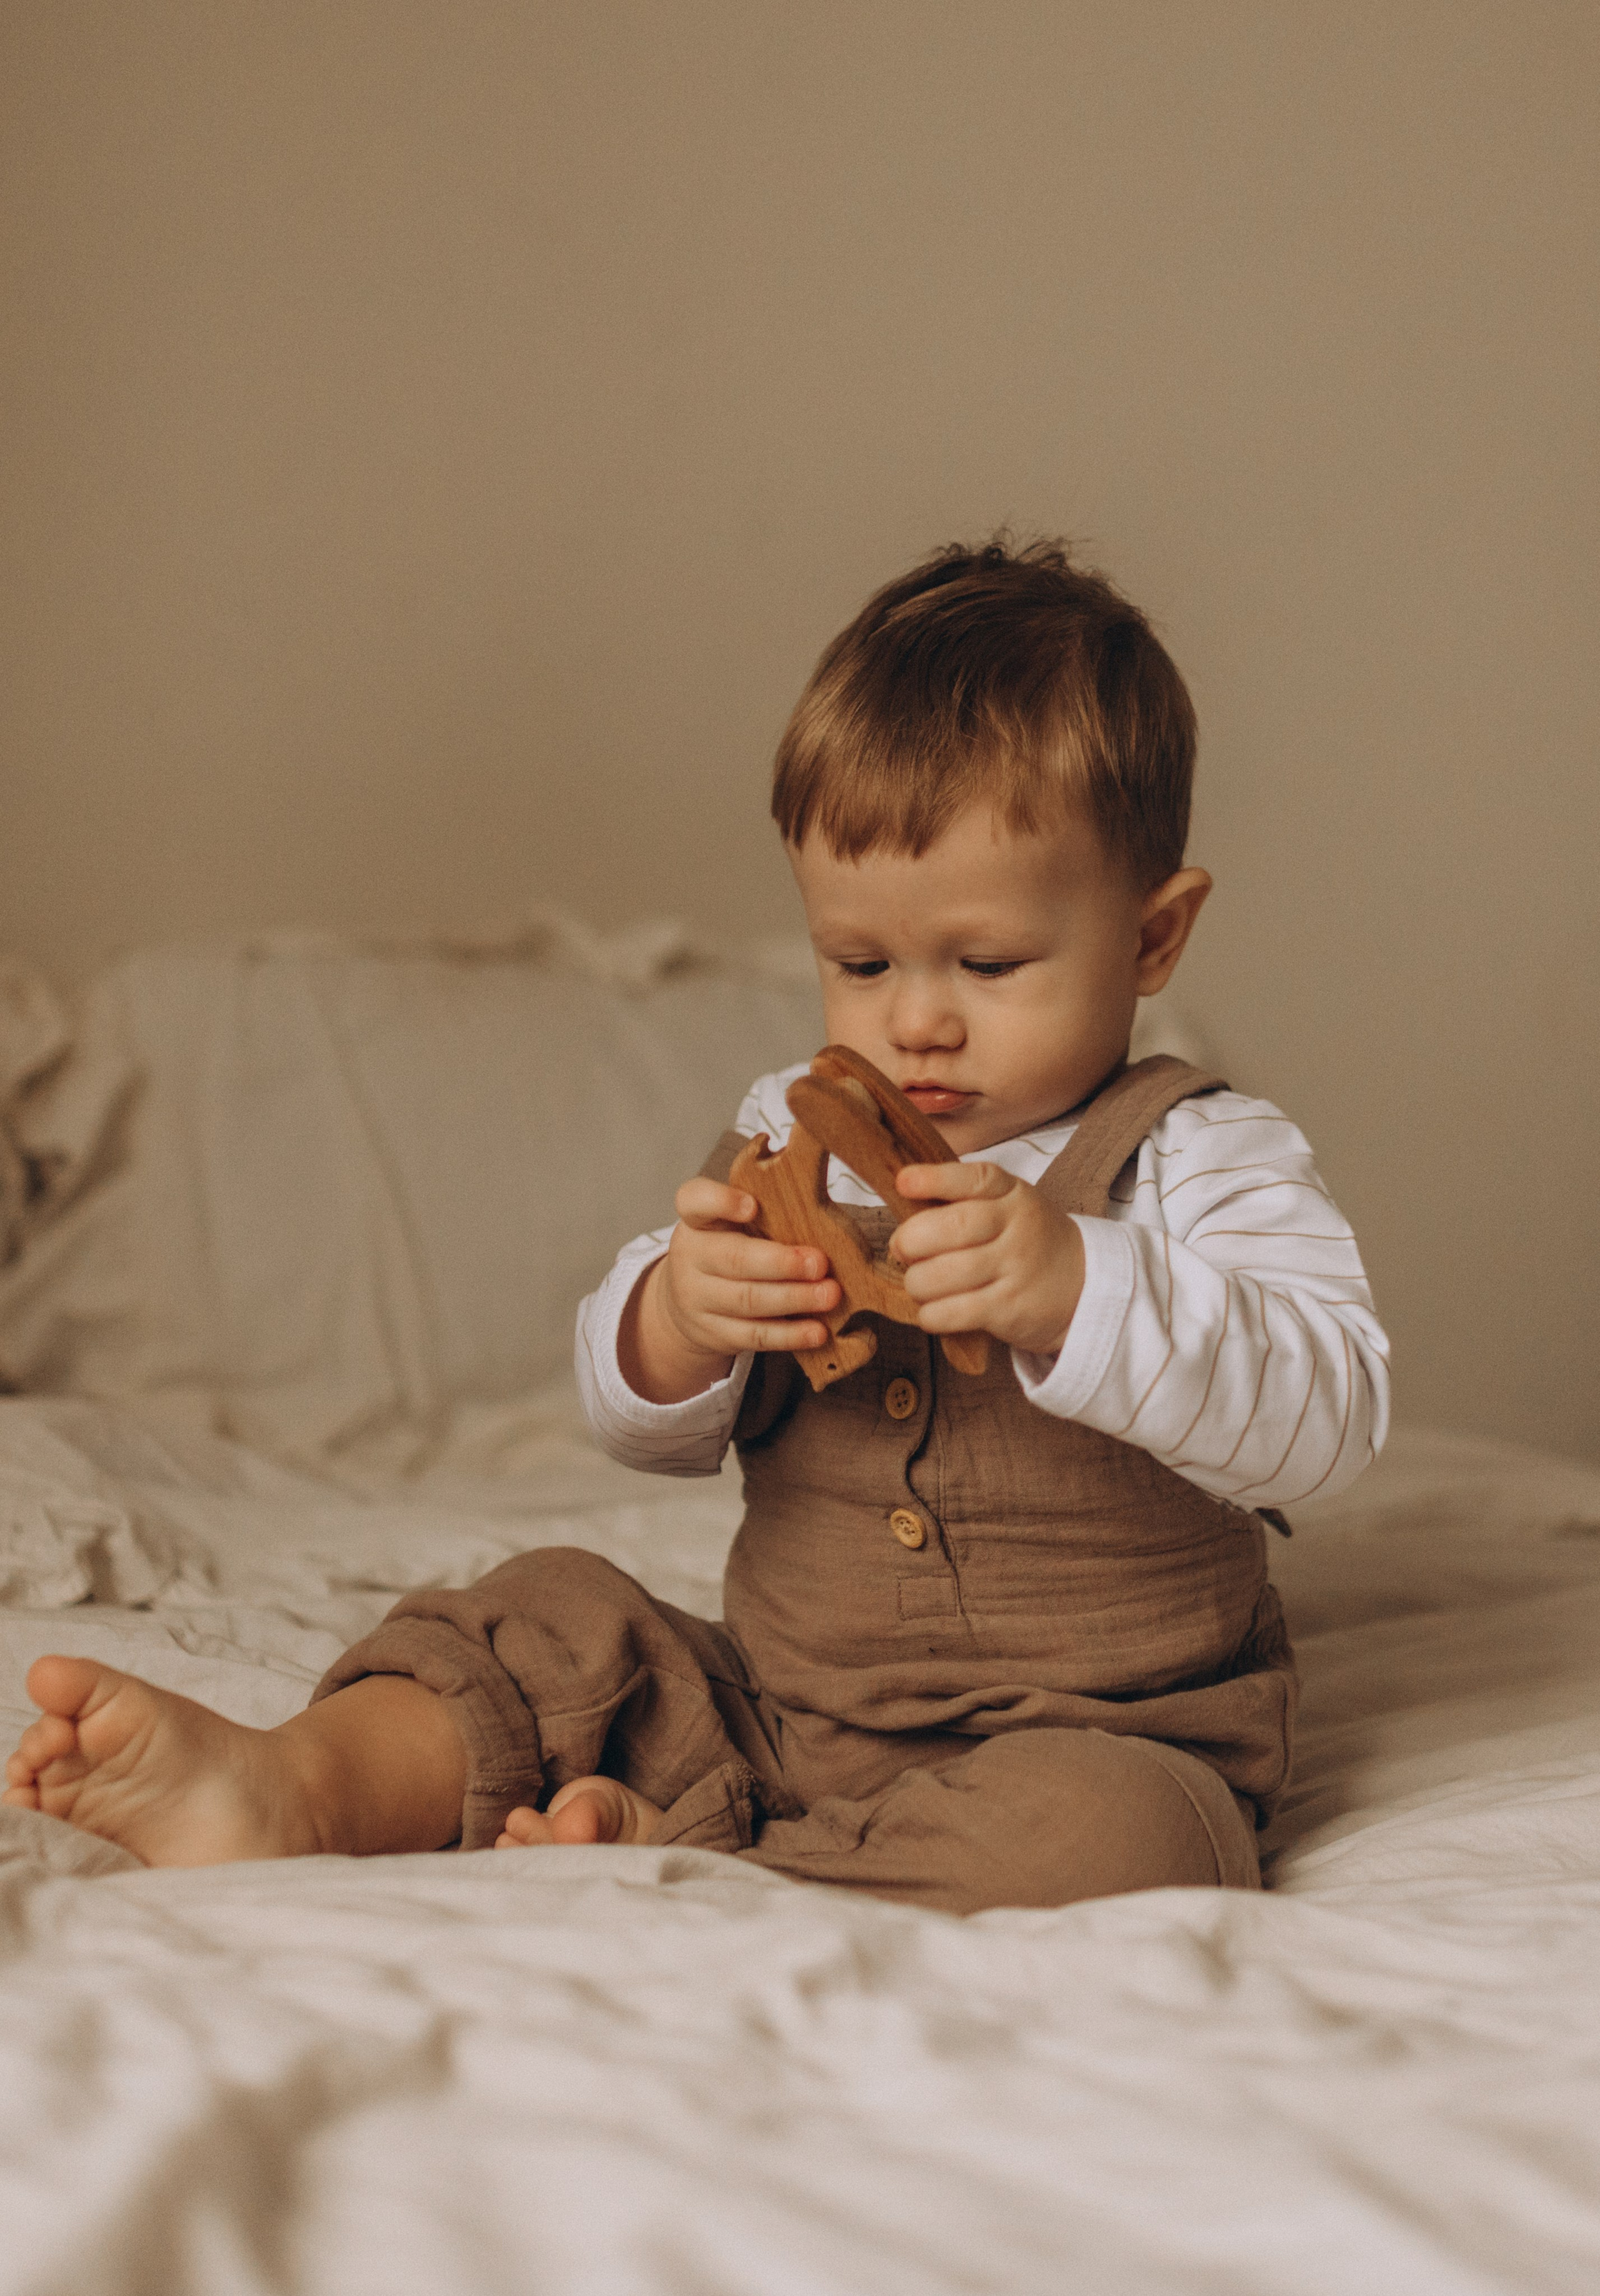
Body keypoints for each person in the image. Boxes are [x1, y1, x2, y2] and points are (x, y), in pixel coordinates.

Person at [5, 539, 1389, 1912]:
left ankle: (695, 1859)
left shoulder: (1196, 1154)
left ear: (1152, 939)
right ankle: (294, 1784)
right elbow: (643, 1429)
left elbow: (1327, 1421)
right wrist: (677, 1319)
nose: (916, 1017)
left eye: (986, 962)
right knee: (547, 1612)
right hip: (776, 1707)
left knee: (1120, 1843)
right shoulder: (787, 1124)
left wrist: (1077, 1287)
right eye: (858, 962)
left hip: (1095, 1730)